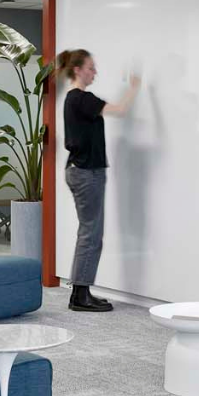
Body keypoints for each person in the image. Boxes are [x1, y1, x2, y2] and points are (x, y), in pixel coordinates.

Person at [57, 49, 141, 312]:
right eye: (91, 68)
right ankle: (80, 295)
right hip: (86, 172)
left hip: (83, 170)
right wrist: (134, 87)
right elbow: (120, 109)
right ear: (78, 70)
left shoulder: (75, 99)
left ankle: (81, 292)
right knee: (91, 234)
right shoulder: (81, 98)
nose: (95, 72)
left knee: (90, 233)